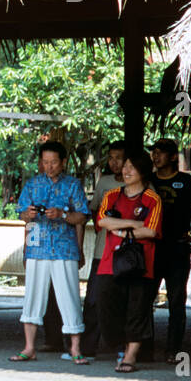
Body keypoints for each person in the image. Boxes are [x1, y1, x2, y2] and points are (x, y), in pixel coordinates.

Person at [10, 141, 90, 364]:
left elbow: (82, 217)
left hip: (65, 248)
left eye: (54, 162)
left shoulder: (73, 185)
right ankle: (29, 347)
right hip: (37, 247)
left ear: (63, 162)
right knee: (32, 297)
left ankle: (75, 349)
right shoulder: (32, 184)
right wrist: (29, 215)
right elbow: (22, 217)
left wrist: (63, 215)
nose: (49, 166)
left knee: (70, 297)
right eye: (45, 162)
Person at [144, 138, 191, 364]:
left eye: (161, 152)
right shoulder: (147, 180)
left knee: (176, 301)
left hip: (177, 250)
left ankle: (173, 349)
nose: (156, 156)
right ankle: (144, 348)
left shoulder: (187, 181)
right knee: (145, 300)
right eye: (154, 152)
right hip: (151, 248)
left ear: (173, 157)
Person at [96, 150, 163, 373]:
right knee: (105, 304)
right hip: (110, 261)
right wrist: (133, 224)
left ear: (143, 171)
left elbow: (151, 231)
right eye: (125, 166)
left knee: (138, 308)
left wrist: (123, 232)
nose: (126, 170)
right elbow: (103, 220)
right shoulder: (112, 194)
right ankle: (121, 346)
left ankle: (131, 356)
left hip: (139, 262)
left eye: (132, 167)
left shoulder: (152, 198)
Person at [73, 141, 126, 361]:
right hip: (101, 251)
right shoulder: (104, 182)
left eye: (119, 158)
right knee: (94, 300)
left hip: (128, 253)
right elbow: (92, 212)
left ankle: (124, 346)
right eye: (111, 158)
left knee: (124, 300)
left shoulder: (144, 186)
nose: (114, 163)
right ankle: (88, 346)